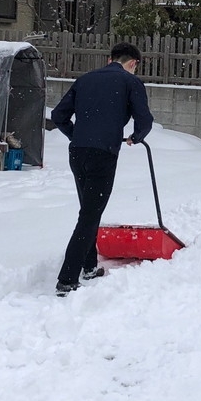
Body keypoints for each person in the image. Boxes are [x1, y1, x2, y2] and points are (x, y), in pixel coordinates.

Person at [48, 43, 153, 294]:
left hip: (78, 153)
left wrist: (78, 135)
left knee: (89, 209)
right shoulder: (130, 82)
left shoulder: (85, 80)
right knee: (89, 215)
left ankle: (89, 266)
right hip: (103, 153)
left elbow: (58, 115)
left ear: (110, 59)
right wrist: (135, 137)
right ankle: (67, 279)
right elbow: (145, 120)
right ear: (133, 63)